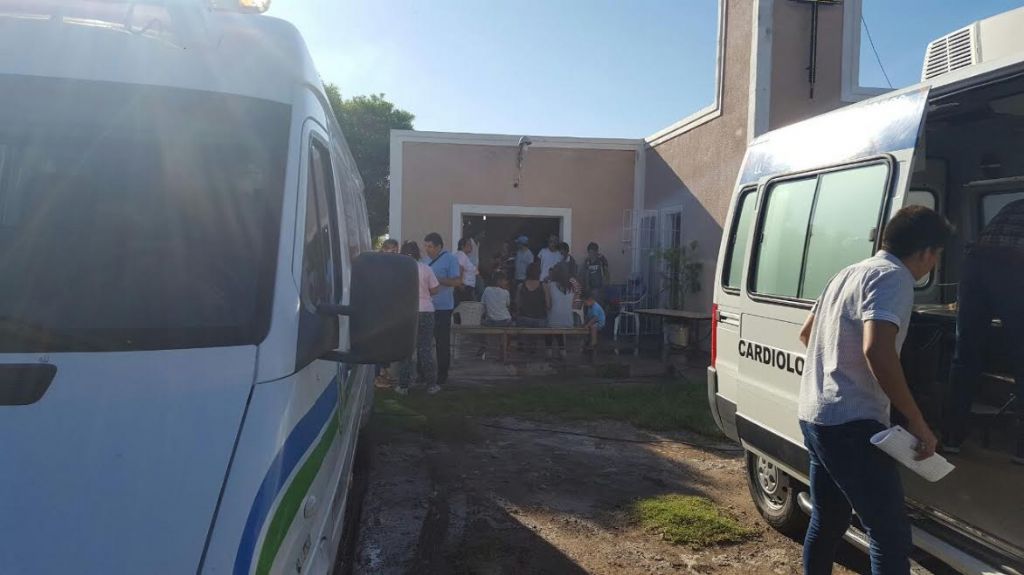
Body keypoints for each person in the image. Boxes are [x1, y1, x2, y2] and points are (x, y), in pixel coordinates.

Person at [797, 205, 952, 575]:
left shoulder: (847, 273)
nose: (934, 264)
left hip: (816, 416)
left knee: (828, 520)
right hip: (852, 425)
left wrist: (838, 368)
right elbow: (877, 350)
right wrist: (917, 421)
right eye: (937, 255)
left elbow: (806, 334)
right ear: (926, 252)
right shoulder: (894, 277)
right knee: (890, 536)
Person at [944, 198, 1024, 463]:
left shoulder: (1013, 205)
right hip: (1014, 265)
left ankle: (951, 438)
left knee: (964, 356)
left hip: (975, 265)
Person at [395, 241, 439, 395]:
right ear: (417, 253)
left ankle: (403, 386)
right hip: (426, 311)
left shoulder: (399, 271)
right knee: (425, 349)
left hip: (406, 312)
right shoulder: (426, 268)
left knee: (406, 350)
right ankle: (431, 384)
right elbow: (435, 290)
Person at [423, 232, 462, 393]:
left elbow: (457, 281)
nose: (427, 249)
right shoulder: (424, 261)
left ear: (439, 246)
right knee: (424, 342)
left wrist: (435, 278)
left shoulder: (450, 259)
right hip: (426, 307)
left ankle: (442, 374)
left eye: (430, 246)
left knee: (442, 343)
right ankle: (423, 374)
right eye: (426, 246)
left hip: (443, 307)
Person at [546, 262, 575, 359]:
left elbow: (548, 305)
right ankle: (562, 350)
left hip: (553, 322)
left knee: (550, 321)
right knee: (558, 322)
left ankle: (549, 350)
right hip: (569, 321)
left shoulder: (550, 285)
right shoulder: (572, 287)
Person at [516, 262, 547, 328]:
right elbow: (548, 305)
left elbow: (518, 305)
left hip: (523, 319)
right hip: (540, 319)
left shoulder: (520, 286)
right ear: (539, 272)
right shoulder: (544, 286)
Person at [455, 237, 478, 304]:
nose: (471, 246)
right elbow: (460, 268)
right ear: (462, 246)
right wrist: (460, 284)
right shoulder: (461, 255)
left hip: (467, 287)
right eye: (468, 244)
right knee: (466, 306)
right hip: (464, 287)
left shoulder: (464, 256)